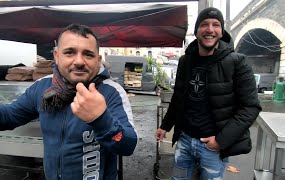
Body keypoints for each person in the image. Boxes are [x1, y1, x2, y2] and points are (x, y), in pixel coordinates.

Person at [0, 24, 137, 180]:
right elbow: (10, 116)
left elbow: (128, 145)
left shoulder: (111, 92)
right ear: (57, 56)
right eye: (70, 52)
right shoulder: (42, 87)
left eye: (88, 54)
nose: (79, 61)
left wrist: (101, 119)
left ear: (99, 61)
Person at [155, 7, 261, 179]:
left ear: (221, 31)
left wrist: (220, 141)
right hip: (185, 140)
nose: (210, 29)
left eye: (216, 25)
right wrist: (165, 126)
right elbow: (179, 98)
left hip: (213, 146)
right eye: (204, 24)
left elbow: (250, 107)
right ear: (196, 31)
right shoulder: (185, 61)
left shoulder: (237, 62)